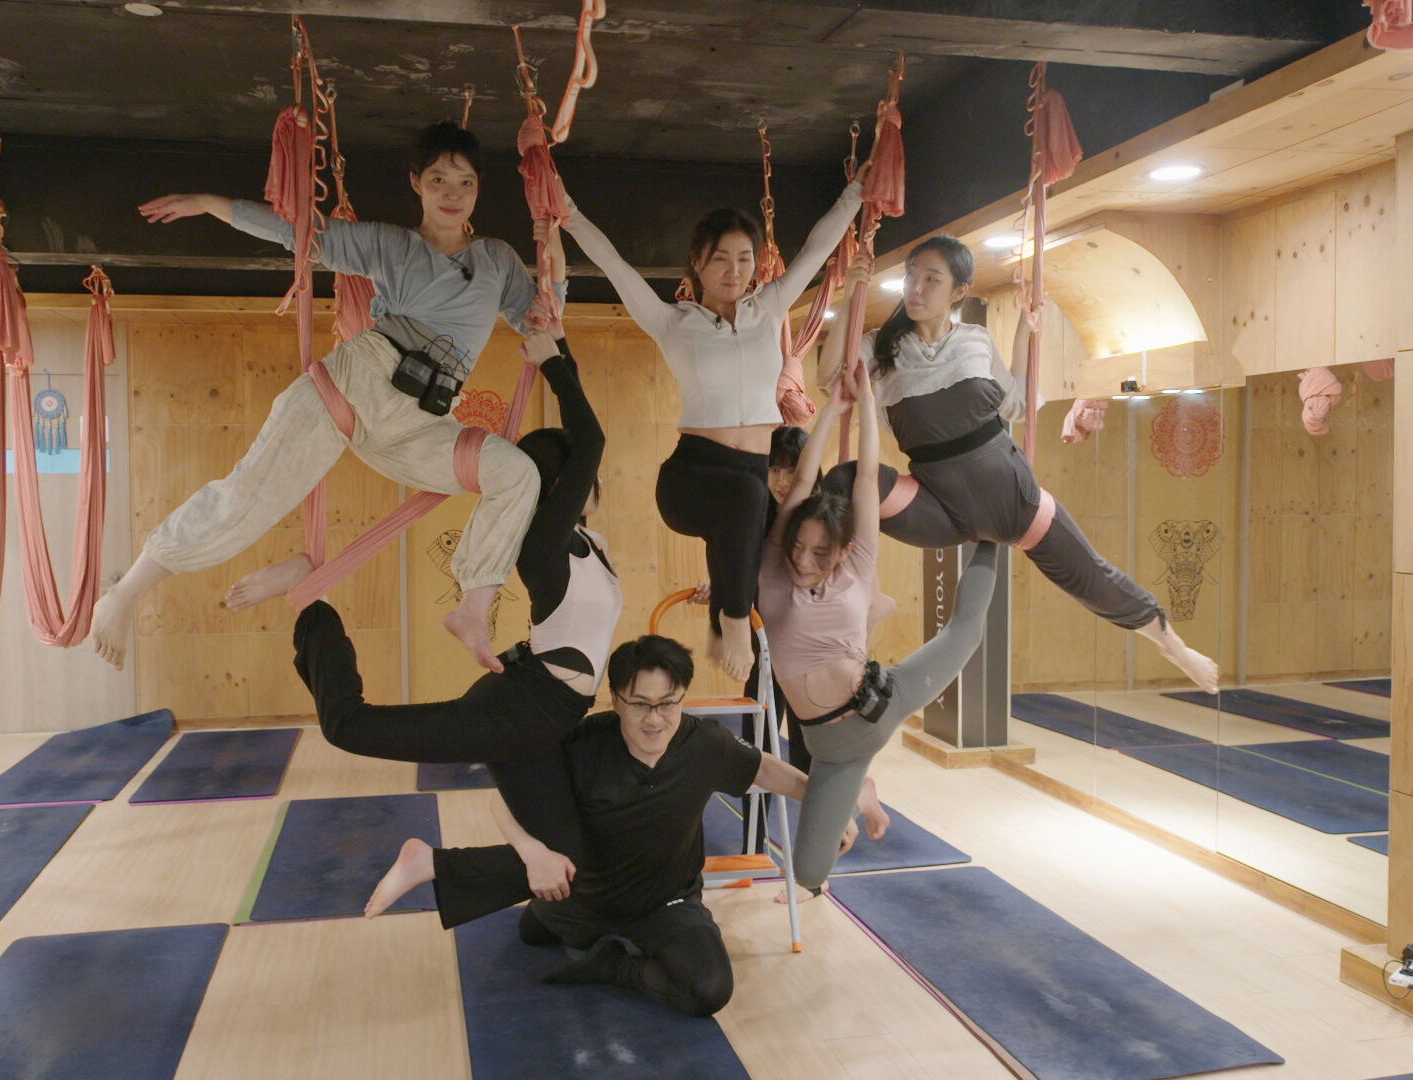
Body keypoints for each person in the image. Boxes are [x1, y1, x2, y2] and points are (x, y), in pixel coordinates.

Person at [88, 121, 551, 673]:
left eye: (465, 182)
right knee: (245, 503)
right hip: (354, 386)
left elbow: (539, 317)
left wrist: (554, 258)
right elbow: (300, 231)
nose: (452, 194)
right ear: (417, 183)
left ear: (478, 188)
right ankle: (124, 593)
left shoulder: (496, 259)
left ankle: (474, 608)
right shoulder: (391, 244)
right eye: (438, 179)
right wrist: (211, 203)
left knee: (518, 474)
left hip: (421, 421)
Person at [361, 634, 873, 1017]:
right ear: (616, 700)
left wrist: (830, 802)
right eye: (640, 704)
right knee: (530, 934)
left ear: (682, 699)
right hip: (585, 897)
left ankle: (608, 965)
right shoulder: (582, 743)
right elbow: (507, 801)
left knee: (708, 991)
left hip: (665, 904)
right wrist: (532, 853)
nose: (655, 719)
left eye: (667, 704)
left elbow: (763, 766)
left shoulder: (703, 745)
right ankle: (567, 927)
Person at [821, 238, 1219, 693]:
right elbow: (828, 376)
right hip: (937, 504)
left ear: (958, 292)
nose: (915, 287)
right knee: (843, 481)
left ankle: (1171, 643)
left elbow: (1016, 401)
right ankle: (868, 598)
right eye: (912, 275)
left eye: (932, 278)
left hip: (1014, 500)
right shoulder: (881, 349)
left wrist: (1026, 331)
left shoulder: (974, 341)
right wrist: (853, 295)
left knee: (1089, 575)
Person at [289, 321, 613, 867]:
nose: (594, 479)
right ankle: (312, 610)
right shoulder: (542, 546)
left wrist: (561, 346)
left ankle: (451, 878)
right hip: (521, 714)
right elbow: (591, 443)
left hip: (539, 714)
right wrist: (554, 362)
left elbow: (584, 447)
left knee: (567, 857)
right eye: (581, 477)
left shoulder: (590, 541)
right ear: (561, 489)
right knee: (348, 726)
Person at [563, 164, 869, 682]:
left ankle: (775, 700)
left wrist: (858, 192)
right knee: (745, 506)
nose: (734, 270)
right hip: (692, 477)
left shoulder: (770, 306)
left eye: (745, 258)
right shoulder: (671, 322)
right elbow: (612, 263)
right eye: (721, 259)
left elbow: (817, 247)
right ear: (697, 263)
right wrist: (566, 214)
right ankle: (730, 622)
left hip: (753, 472)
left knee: (772, 565)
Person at [759, 360, 993, 897]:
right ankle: (861, 791)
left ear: (841, 549)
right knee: (809, 874)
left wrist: (865, 403)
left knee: (965, 632)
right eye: (797, 547)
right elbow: (797, 489)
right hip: (836, 747)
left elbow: (867, 476)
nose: (804, 559)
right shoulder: (775, 579)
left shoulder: (858, 562)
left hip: (885, 699)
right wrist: (830, 414)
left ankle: (994, 535)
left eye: (820, 551)